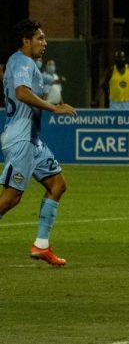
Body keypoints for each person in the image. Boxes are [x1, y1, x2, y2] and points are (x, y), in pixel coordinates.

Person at [0, 19, 78, 266]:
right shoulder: (22, 61)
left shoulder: (20, 62)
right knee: (12, 198)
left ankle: (41, 245)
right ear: (26, 41)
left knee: (57, 184)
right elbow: (22, 93)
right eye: (40, 38)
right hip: (21, 137)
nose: (45, 43)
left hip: (31, 139)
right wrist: (53, 108)